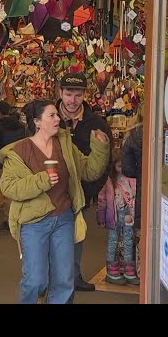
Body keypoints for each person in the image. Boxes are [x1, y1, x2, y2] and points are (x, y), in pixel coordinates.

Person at [0, 99, 109, 304]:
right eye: (52, 115)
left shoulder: (64, 145)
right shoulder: (19, 151)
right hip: (33, 223)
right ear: (37, 122)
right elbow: (9, 187)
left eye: (57, 115)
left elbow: (89, 170)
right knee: (35, 280)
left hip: (64, 219)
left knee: (64, 281)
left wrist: (100, 147)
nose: (58, 118)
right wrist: (41, 180)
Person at [56, 72, 112, 292]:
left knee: (76, 236)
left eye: (77, 95)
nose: (72, 100)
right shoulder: (47, 118)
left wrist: (89, 192)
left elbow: (104, 161)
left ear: (84, 96)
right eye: (68, 94)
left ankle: (73, 275)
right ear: (60, 93)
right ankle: (47, 279)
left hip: (80, 194)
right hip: (50, 192)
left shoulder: (96, 123)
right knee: (48, 236)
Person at [97, 150, 139, 285]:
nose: (121, 169)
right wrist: (101, 218)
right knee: (113, 242)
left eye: (123, 166)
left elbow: (134, 197)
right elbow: (102, 199)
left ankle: (128, 269)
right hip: (114, 216)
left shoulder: (131, 180)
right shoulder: (110, 182)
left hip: (128, 214)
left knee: (128, 241)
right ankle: (112, 270)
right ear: (114, 166)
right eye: (119, 166)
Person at [0, 100, 26, 232]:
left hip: (3, 162)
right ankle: (21, 217)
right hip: (20, 161)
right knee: (21, 189)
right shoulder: (22, 126)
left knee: (7, 192)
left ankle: (8, 219)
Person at [122, 122, 143, 275]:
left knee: (141, 231)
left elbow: (128, 169)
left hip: (141, 187)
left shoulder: (133, 136)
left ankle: (139, 270)